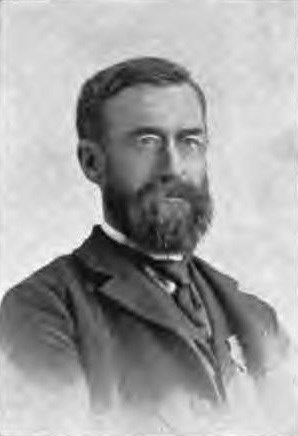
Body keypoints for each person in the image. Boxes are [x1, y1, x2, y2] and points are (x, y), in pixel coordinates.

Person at [0, 57, 296, 435]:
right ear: (92, 163)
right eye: (147, 142)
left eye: (190, 141)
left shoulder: (258, 318)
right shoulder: (43, 309)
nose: (172, 166)